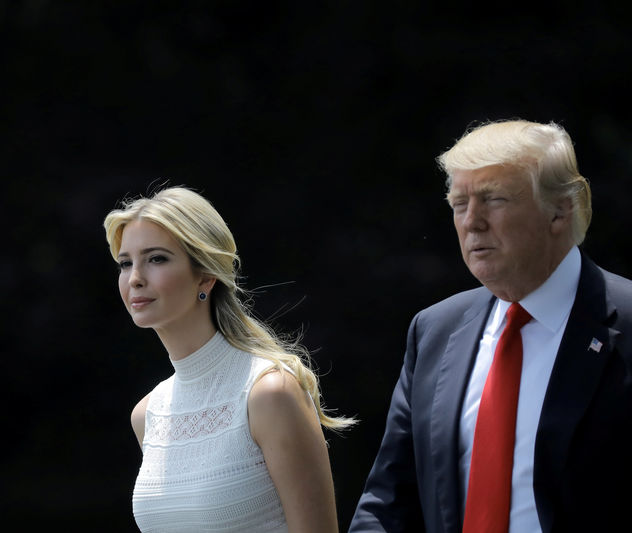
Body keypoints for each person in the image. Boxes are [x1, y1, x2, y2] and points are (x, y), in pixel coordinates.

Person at [348, 119, 632, 533]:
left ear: (560, 209)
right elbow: (389, 503)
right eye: (459, 204)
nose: (472, 222)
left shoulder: (624, 323)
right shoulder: (434, 331)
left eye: (493, 199)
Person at [104, 186, 354, 532]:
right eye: (125, 263)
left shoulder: (269, 393)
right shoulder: (147, 414)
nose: (135, 279)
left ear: (205, 275)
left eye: (156, 258)